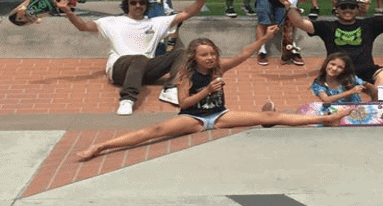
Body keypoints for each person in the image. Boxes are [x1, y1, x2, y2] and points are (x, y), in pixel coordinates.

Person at [75, 30, 351, 161]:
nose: (210, 58)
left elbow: (244, 54)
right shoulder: (184, 74)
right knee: (156, 130)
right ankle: (101, 147)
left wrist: (264, 39)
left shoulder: (219, 67)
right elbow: (183, 104)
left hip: (220, 116)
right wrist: (207, 90)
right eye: (204, 55)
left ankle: (326, 119)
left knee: (271, 116)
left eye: (213, 54)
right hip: (193, 118)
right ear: (194, 56)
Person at [54, 0, 210, 115]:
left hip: (146, 70)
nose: (137, 6)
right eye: (133, 2)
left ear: (146, 6)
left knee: (183, 52)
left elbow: (187, 13)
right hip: (119, 69)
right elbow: (83, 27)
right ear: (127, 5)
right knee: (138, 58)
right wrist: (68, 11)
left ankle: (171, 89)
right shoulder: (112, 22)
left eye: (142, 3)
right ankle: (127, 99)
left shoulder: (155, 23)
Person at [281, 0, 383, 103]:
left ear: (357, 9)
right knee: (348, 100)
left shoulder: (369, 25)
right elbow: (299, 22)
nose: (347, 10)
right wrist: (289, 6)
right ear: (336, 10)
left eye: (351, 7)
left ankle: (379, 107)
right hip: (340, 73)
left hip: (366, 71)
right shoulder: (327, 27)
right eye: (343, 7)